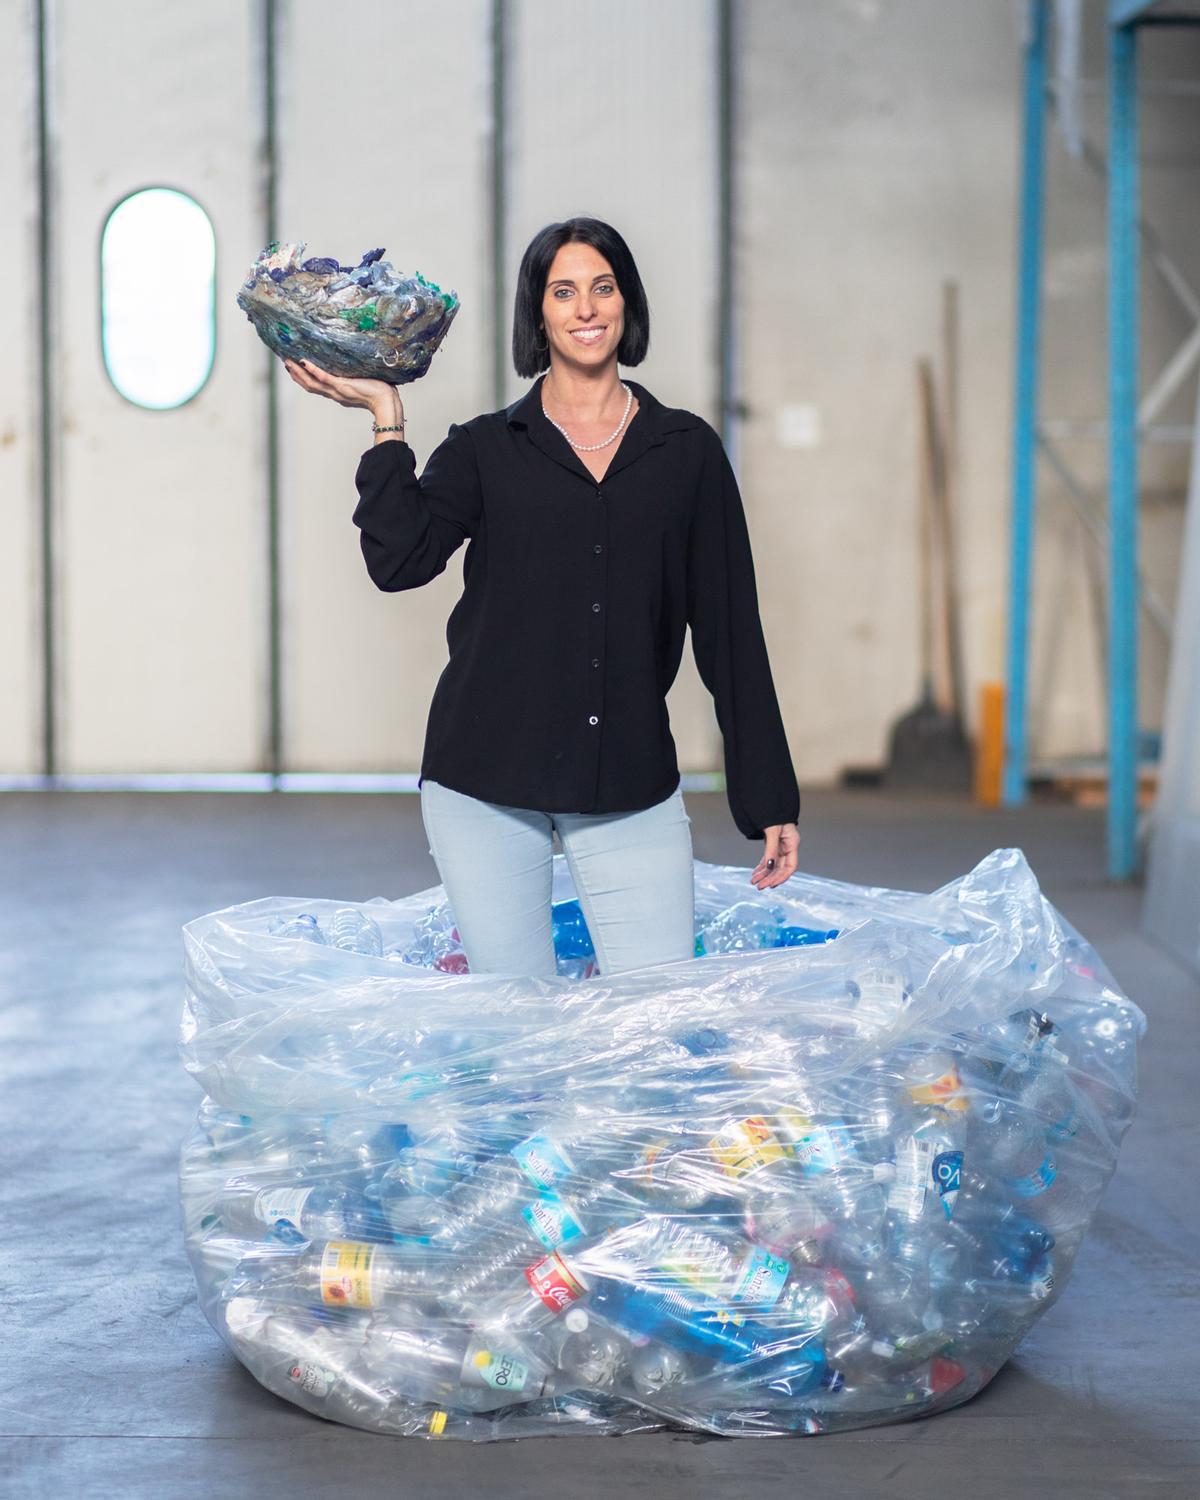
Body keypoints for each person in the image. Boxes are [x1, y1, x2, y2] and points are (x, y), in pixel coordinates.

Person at [283, 216, 800, 978]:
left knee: (652, 1025)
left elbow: (729, 629)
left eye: (603, 287)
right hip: (485, 783)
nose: (586, 308)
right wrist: (386, 420)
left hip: (628, 781)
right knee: (513, 1034)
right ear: (540, 313)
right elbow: (400, 561)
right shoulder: (488, 448)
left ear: (627, 305)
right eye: (564, 292)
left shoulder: (685, 453)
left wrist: (768, 794)